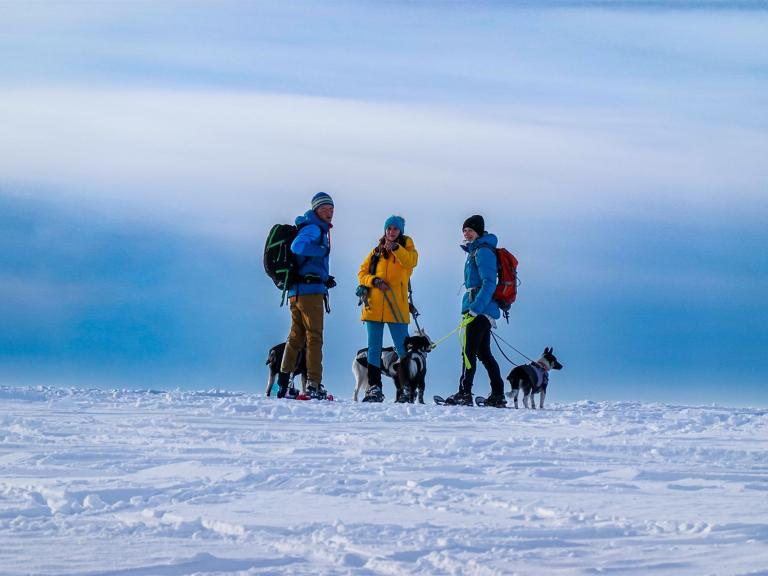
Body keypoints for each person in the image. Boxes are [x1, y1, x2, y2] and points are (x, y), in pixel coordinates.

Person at [276, 192, 336, 399]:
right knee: (314, 338)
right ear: (316, 210)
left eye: (332, 208)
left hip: (297, 291)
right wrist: (322, 251)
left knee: (296, 337)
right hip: (309, 294)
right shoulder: (313, 228)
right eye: (325, 208)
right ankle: (313, 383)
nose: (330, 212)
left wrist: (324, 277)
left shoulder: (311, 227)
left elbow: (304, 258)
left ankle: (283, 382)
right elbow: (297, 246)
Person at [444, 215, 506, 407]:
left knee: (468, 352)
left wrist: (475, 308)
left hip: (480, 309)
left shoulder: (483, 252)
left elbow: (489, 283)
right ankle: (497, 394)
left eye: (470, 230)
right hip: (478, 308)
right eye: (464, 230)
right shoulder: (475, 251)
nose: (466, 233)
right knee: (483, 353)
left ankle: (465, 393)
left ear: (478, 231)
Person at [357, 215, 418, 402]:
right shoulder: (376, 252)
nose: (391, 232)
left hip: (396, 308)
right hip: (374, 306)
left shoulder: (407, 249)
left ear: (401, 232)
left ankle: (407, 388)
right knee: (374, 349)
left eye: (395, 229)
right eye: (389, 228)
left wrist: (396, 249)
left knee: (402, 348)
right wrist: (373, 280)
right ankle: (374, 388)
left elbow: (410, 262)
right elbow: (362, 272)